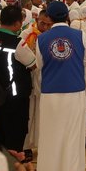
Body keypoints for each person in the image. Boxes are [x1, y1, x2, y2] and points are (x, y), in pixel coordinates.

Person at [36, 1, 86, 171]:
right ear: (67, 16)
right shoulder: (81, 35)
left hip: (50, 93)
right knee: (72, 135)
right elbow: (84, 62)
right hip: (75, 91)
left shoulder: (41, 39)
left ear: (48, 17)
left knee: (51, 134)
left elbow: (39, 65)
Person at [0, 6, 36, 152]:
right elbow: (33, 64)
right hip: (15, 96)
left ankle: (0, 163)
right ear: (17, 24)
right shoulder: (17, 43)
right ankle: (14, 168)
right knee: (16, 130)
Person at [21, 10, 53, 155]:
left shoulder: (52, 37)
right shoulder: (26, 34)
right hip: (28, 79)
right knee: (27, 114)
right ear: (37, 19)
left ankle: (43, 145)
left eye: (48, 24)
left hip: (46, 80)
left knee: (43, 115)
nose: (45, 27)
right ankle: (26, 147)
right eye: (42, 23)